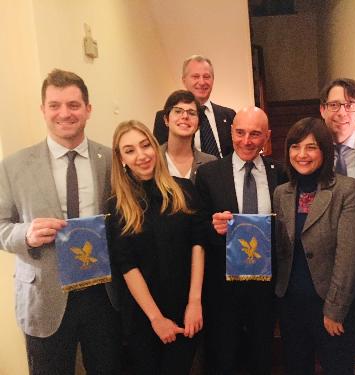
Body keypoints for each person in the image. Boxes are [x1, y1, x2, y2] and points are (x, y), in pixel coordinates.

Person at [0, 69, 121, 374]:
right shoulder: (13, 166)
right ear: (43, 110)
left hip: (103, 295)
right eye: (55, 105)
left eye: (73, 105)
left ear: (88, 110)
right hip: (45, 298)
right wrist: (26, 233)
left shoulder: (111, 160)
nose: (64, 113)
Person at [107, 120, 206, 374]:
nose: (141, 156)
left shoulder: (184, 189)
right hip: (143, 316)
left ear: (154, 147)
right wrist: (156, 319)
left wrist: (194, 301)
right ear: (120, 159)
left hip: (185, 308)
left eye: (145, 145)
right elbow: (127, 266)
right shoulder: (118, 206)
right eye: (130, 150)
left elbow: (198, 245)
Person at [195, 106, 287, 374]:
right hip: (223, 288)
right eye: (240, 132)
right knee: (224, 357)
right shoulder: (209, 174)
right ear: (231, 131)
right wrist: (214, 227)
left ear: (267, 136)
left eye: (255, 134)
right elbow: (197, 228)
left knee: (261, 355)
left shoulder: (279, 173)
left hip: (265, 286)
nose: (246, 141)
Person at [273, 117, 355, 375]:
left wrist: (334, 310)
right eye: (295, 147)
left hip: (330, 305)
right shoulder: (282, 192)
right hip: (291, 305)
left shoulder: (345, 189)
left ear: (325, 151)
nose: (302, 154)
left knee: (337, 368)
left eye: (311, 147)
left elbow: (349, 255)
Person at [154, 55, 236, 158]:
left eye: (206, 77)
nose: (202, 82)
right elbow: (160, 158)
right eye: (195, 76)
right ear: (184, 80)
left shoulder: (229, 115)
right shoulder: (168, 117)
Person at [160, 90, 217, 182]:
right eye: (178, 111)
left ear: (198, 125)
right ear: (166, 119)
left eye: (192, 113)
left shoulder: (210, 162)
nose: (185, 116)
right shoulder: (152, 158)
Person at [319, 78, 355, 178]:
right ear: (323, 110)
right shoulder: (314, 150)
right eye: (334, 105)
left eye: (349, 105)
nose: (341, 113)